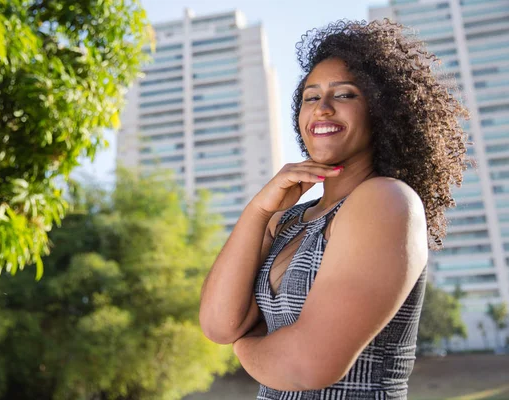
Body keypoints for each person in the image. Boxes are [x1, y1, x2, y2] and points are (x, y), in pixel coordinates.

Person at [199, 19, 469, 399]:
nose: (322, 109)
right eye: (311, 97)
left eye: (343, 95)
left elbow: (308, 364)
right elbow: (217, 324)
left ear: (380, 110)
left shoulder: (386, 201)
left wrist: (244, 343)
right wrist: (258, 211)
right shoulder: (287, 220)